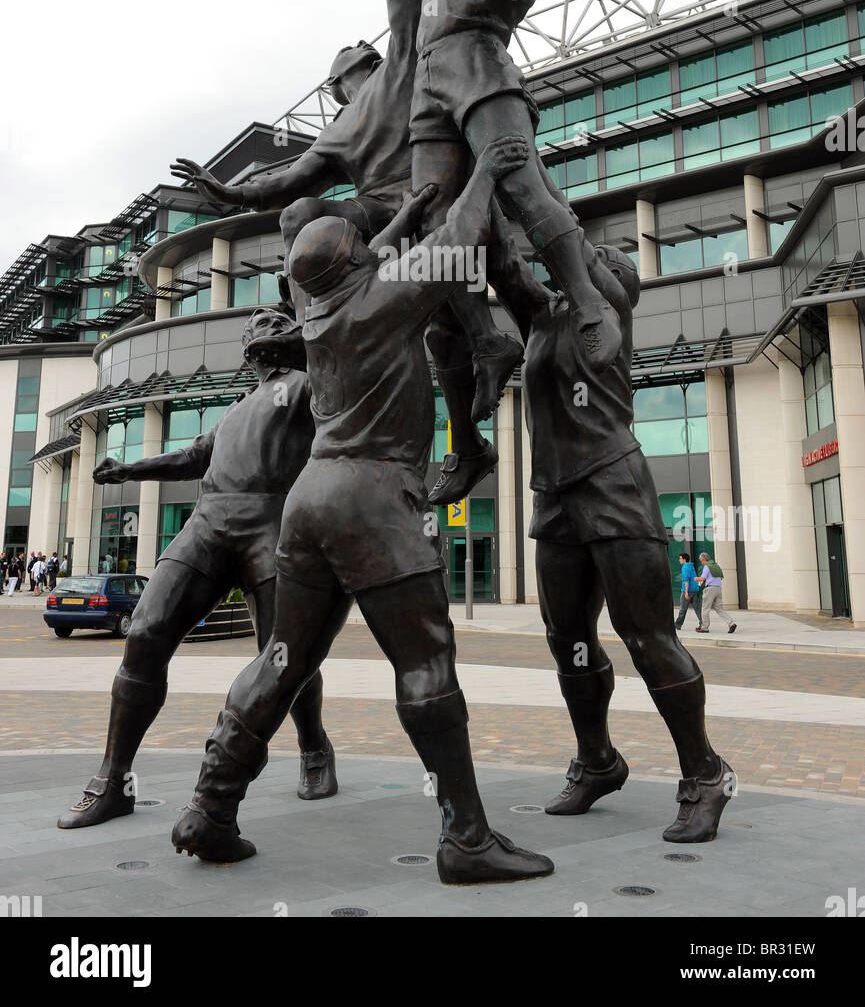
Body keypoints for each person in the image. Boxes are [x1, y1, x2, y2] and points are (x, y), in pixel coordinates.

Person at [171, 136, 554, 886]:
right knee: (425, 660)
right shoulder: (385, 299)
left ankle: (209, 809)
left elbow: (366, 253)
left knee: (282, 659)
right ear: (358, 267)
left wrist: (402, 209)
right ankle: (467, 838)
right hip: (371, 498)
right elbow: (460, 240)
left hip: (308, 502)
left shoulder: (315, 306)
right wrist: (486, 169)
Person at [171, 0, 543, 505]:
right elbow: (287, 184)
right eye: (348, 72)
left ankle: (474, 405)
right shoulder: (347, 124)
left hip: (430, 202)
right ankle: (329, 326)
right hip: (389, 214)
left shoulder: (403, 67)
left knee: (437, 312)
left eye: (347, 70)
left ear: (350, 75)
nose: (349, 80)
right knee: (311, 221)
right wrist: (228, 195)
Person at [57, 306, 335, 830]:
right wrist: (129, 468)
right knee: (144, 632)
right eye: (261, 322)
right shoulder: (234, 409)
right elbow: (191, 457)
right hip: (207, 524)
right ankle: (113, 780)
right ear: (247, 344)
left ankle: (314, 746)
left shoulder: (306, 386)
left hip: (271, 523)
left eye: (279, 320)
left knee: (282, 654)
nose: (268, 324)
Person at [409, 0, 622, 391]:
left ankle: (587, 303)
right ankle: (486, 340)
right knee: (430, 212)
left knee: (522, 185)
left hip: (479, 63)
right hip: (431, 78)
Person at [520, 245, 735, 843]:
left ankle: (706, 773)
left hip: (613, 482)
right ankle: (598, 761)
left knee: (645, 636)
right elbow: (505, 267)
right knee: (569, 640)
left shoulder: (607, 306)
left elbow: (567, 254)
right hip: (555, 494)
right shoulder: (541, 318)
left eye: (596, 263)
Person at [696, 553, 737, 634]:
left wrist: (695, 578)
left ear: (704, 559)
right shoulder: (716, 566)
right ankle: (731, 623)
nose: (701, 562)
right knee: (719, 609)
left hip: (710, 589)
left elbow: (702, 578)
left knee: (705, 608)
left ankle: (704, 627)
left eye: (701, 561)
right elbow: (721, 577)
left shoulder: (707, 566)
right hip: (718, 589)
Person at [675, 552, 703, 631]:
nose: (679, 560)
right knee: (698, 609)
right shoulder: (691, 566)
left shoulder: (685, 567)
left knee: (683, 609)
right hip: (694, 590)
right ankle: (703, 624)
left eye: (680, 558)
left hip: (687, 591)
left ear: (684, 559)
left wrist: (686, 592)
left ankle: (677, 625)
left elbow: (686, 580)